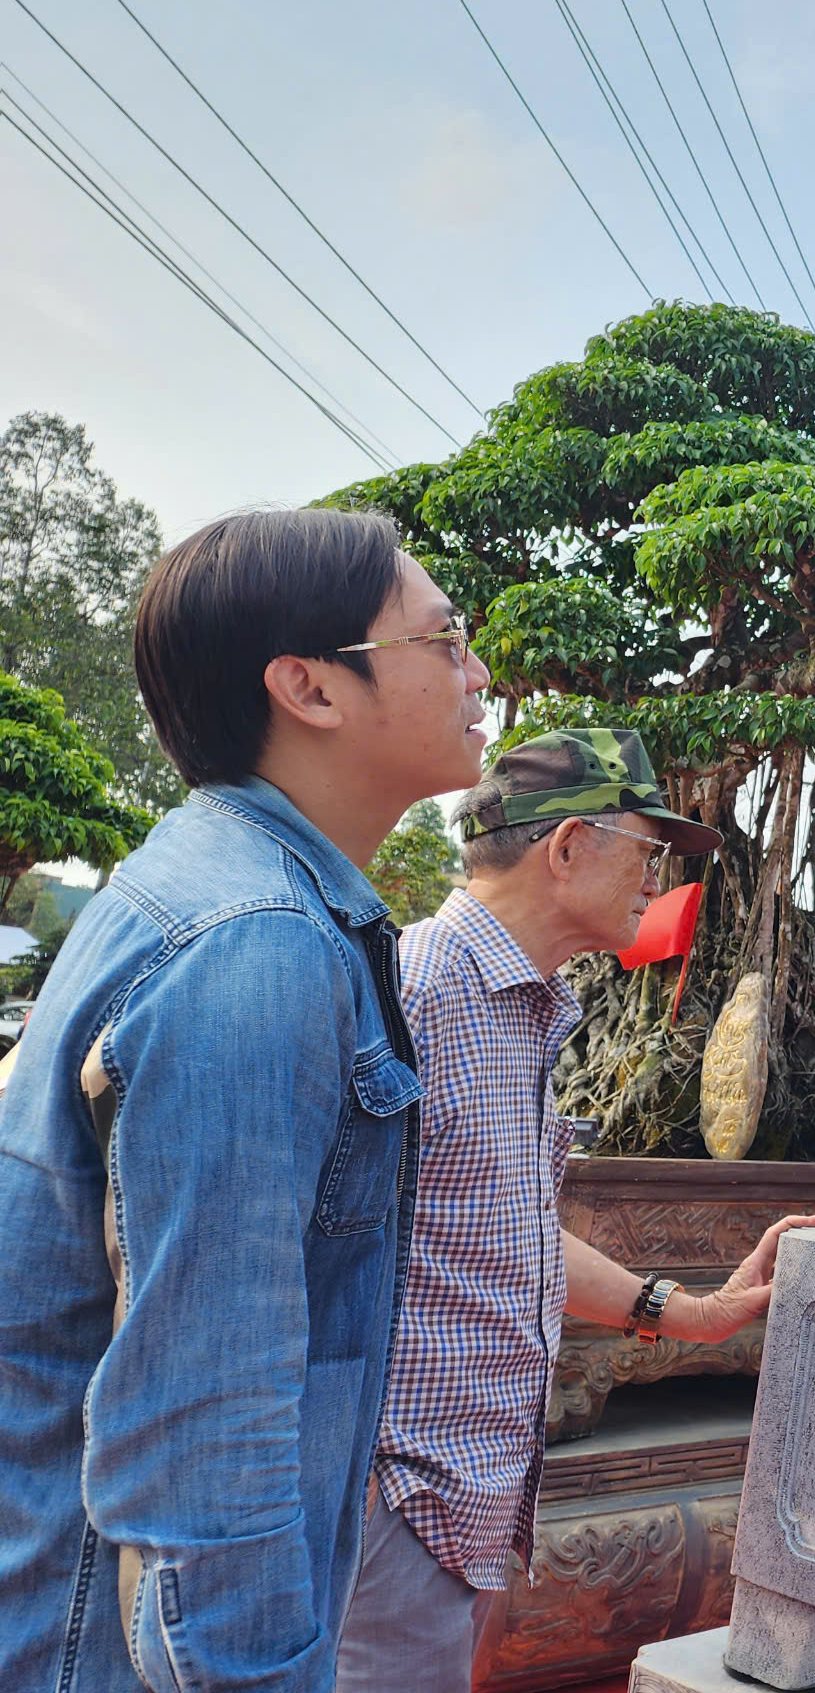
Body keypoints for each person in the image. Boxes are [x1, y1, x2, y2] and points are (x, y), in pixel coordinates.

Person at [0, 509, 491, 1692]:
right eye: (444, 638)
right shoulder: (254, 943)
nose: (478, 672)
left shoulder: (227, 893)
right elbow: (203, 1431)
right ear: (309, 687)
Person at [335, 729, 815, 1692]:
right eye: (648, 850)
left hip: (468, 1502)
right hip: (394, 1497)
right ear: (566, 847)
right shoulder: (415, 995)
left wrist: (692, 1312)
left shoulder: (522, 1007)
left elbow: (503, 1227)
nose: (658, 881)